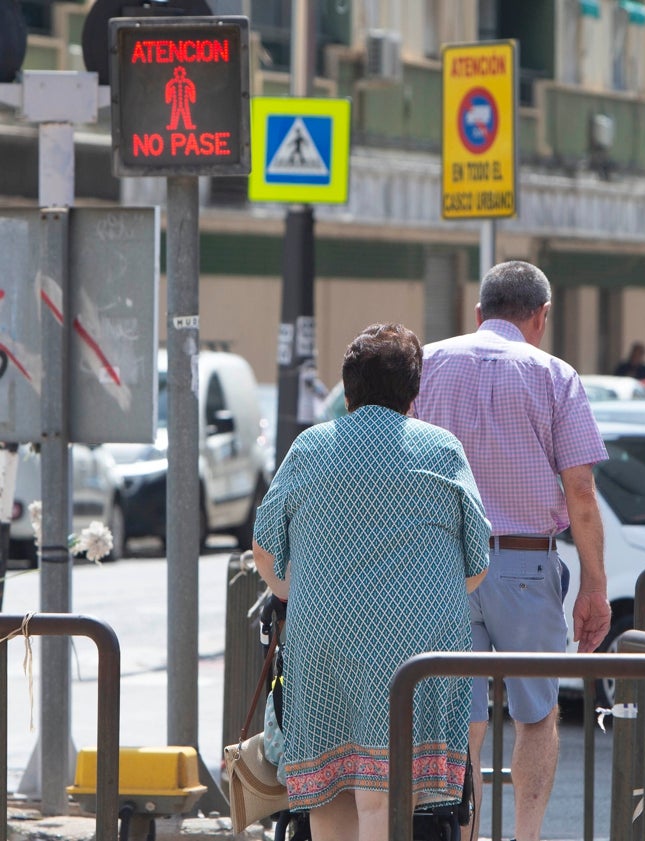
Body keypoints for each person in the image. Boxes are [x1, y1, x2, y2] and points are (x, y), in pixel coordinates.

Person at [252, 322, 491, 841]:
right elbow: (477, 562)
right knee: (394, 795)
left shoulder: (310, 448)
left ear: (348, 385)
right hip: (422, 647)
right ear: (413, 388)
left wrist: (307, 593)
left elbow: (266, 548)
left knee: (330, 791)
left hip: (325, 639)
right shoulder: (442, 449)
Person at [411, 261, 612, 841]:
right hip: (526, 562)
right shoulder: (556, 376)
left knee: (461, 720)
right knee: (536, 715)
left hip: (443, 564)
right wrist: (595, 588)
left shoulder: (428, 363)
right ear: (541, 317)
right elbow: (580, 491)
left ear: (478, 313)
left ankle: (464, 833)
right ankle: (525, 837)